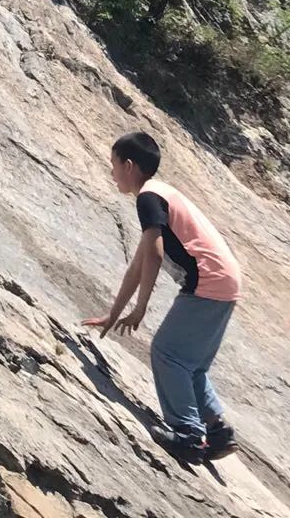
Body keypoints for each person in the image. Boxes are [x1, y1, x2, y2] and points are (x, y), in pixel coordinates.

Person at [84, 131, 240, 462]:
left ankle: (189, 435)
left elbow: (155, 255)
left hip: (208, 282)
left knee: (168, 353)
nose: (111, 172)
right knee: (191, 365)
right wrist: (113, 314)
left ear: (129, 166)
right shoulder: (161, 195)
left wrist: (140, 309)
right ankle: (217, 430)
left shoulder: (148, 198)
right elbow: (138, 266)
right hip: (225, 281)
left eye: (113, 165)